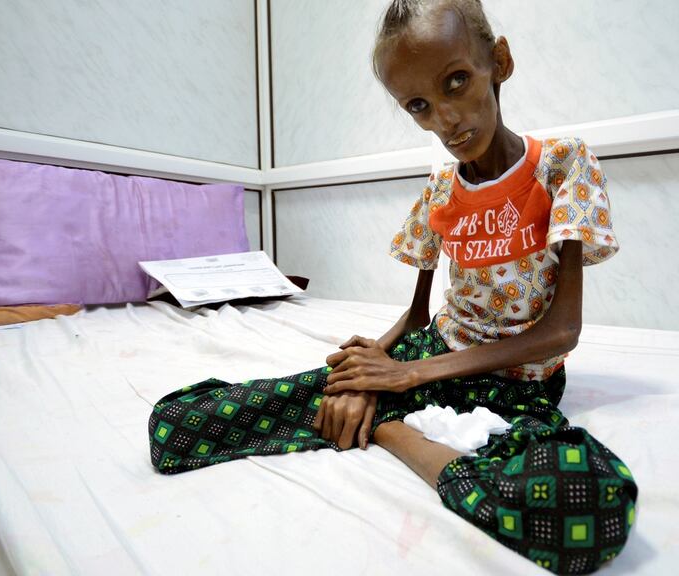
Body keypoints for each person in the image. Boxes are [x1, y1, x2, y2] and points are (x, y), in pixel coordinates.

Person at [147, 1, 636, 572]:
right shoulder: (438, 190)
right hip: (430, 356)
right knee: (175, 428)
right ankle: (392, 419)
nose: (446, 119)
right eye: (420, 106)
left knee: (591, 510)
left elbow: (561, 331)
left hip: (518, 386)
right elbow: (418, 314)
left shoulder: (560, 165)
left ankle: (392, 433)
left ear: (498, 62)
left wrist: (403, 378)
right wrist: (372, 363)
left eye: (457, 81)